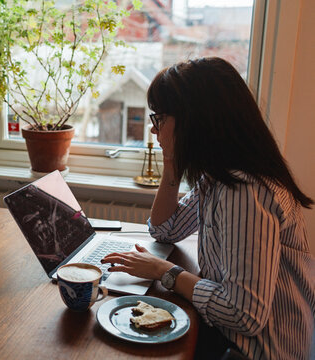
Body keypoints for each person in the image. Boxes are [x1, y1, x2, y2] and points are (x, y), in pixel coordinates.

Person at [101, 57, 314, 360]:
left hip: (252, 351)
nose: (154, 130)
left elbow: (243, 314)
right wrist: (173, 159)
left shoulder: (244, 191)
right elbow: (164, 229)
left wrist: (165, 271)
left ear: (193, 121)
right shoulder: (218, 176)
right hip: (227, 336)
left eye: (159, 119)